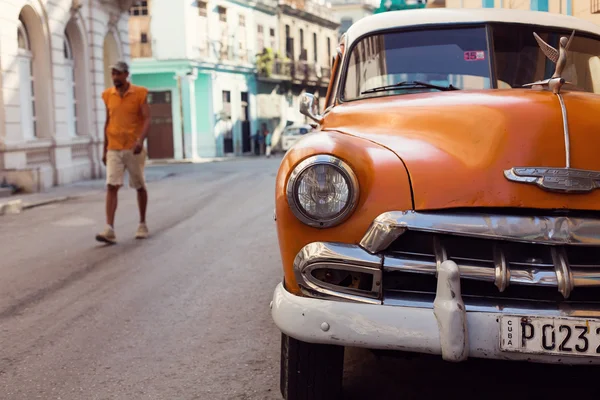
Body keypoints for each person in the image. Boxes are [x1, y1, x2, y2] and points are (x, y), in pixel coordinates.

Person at [95, 61, 151, 244]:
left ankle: (142, 223)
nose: (115, 78)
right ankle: (109, 229)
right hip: (114, 147)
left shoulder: (139, 93)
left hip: (133, 148)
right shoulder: (107, 95)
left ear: (126, 75)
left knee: (139, 185)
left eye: (118, 74)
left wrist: (140, 141)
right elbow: (107, 122)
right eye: (113, 74)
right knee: (112, 185)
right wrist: (104, 149)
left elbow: (147, 118)